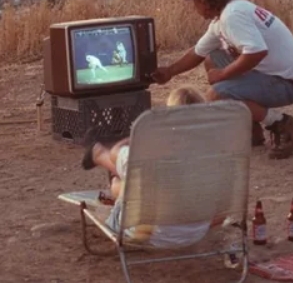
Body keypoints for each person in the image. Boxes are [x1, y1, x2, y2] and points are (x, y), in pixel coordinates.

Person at [151, 0, 293, 159]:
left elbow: (257, 52)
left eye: (194, 2)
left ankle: (281, 124)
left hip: (287, 84)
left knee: (217, 95)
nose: (195, 8)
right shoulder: (228, 13)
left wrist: (223, 74)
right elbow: (198, 52)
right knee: (212, 59)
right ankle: (250, 127)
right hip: (282, 75)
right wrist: (170, 71)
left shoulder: (232, 16)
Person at [80, 87, 217, 247]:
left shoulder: (152, 153)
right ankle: (105, 165)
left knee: (126, 179)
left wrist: (134, 138)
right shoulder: (218, 155)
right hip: (196, 232)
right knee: (135, 181)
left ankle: (98, 154)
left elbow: (116, 152)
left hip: (152, 235)